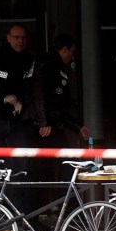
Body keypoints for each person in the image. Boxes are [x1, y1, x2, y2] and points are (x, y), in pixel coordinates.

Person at [0, 24, 36, 206]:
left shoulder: (29, 60)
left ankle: (20, 212)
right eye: (17, 37)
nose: (20, 41)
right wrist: (3, 97)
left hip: (18, 120)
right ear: (8, 38)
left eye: (23, 38)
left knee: (22, 166)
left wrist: (22, 104)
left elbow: (32, 89)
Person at [28, 33, 90, 182]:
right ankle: (65, 196)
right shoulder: (47, 65)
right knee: (52, 167)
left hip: (51, 124)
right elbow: (39, 94)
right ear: (64, 49)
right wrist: (44, 122)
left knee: (53, 167)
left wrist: (77, 126)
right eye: (72, 52)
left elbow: (61, 104)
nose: (72, 57)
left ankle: (64, 195)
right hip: (45, 127)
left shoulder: (56, 67)